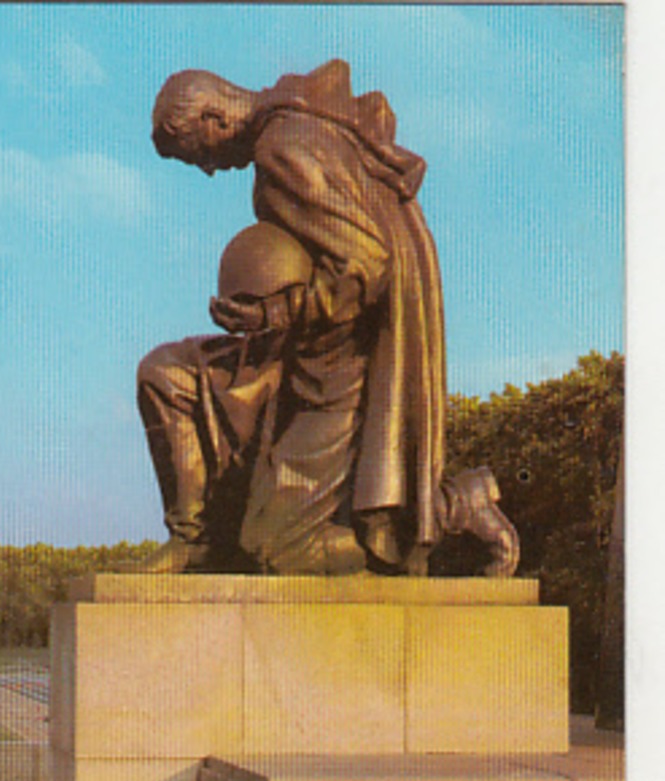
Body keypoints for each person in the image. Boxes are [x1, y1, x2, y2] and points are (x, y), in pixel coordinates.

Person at [137, 60, 516, 577]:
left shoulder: (284, 148)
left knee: (277, 550)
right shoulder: (299, 124)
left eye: (197, 155)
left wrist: (276, 310)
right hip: (299, 349)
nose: (208, 169)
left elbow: (366, 263)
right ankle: (195, 539)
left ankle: (448, 508)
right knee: (168, 375)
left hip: (341, 374)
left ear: (214, 119)